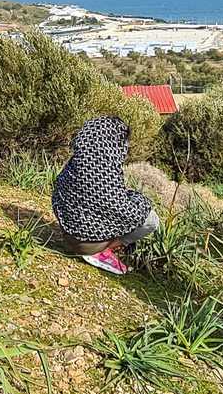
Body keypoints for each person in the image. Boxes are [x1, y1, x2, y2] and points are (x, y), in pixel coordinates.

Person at [51, 116, 160, 275]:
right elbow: (126, 212)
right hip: (88, 245)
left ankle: (92, 244)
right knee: (151, 219)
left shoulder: (75, 164)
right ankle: (104, 250)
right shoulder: (107, 170)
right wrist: (142, 200)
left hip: (69, 236)